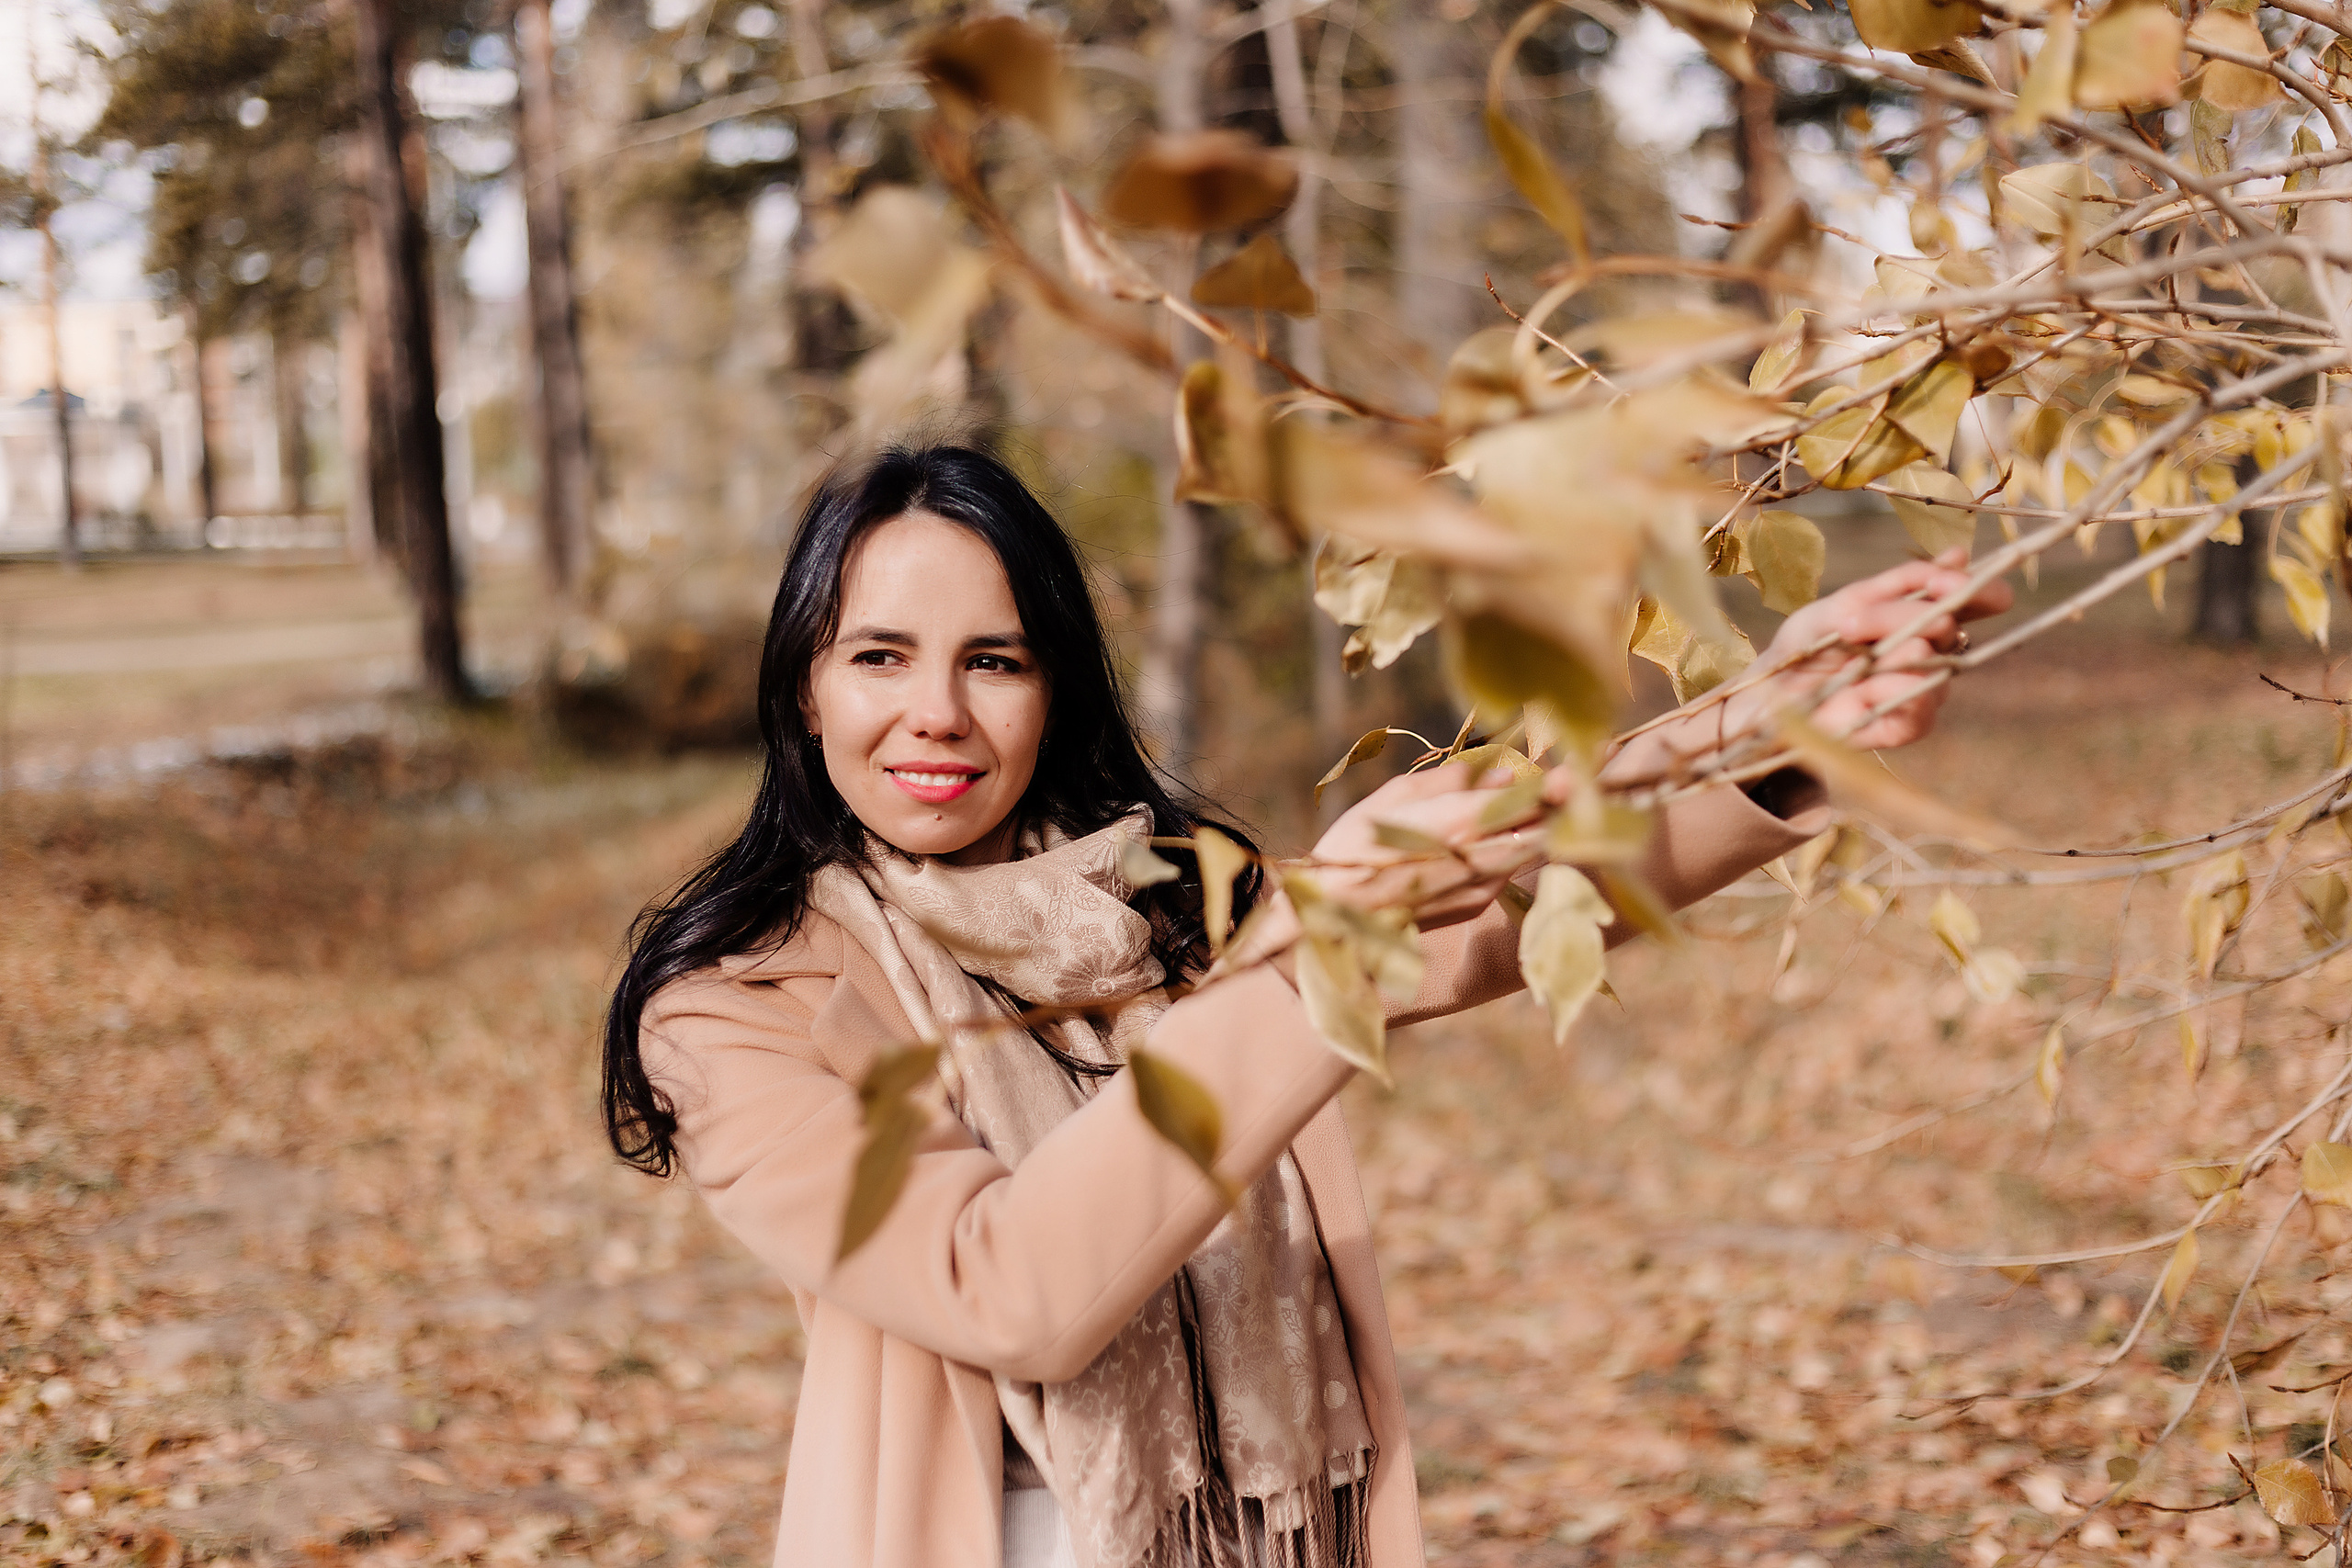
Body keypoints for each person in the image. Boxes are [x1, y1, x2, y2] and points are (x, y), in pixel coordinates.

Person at [601, 443, 2010, 1568]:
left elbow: (1488, 910)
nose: (939, 715)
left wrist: (1774, 718)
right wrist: (1330, 929)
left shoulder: (1153, 891)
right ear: (803, 687)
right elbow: (1009, 1287)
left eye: (995, 659)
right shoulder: (736, 1010)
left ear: (1053, 687)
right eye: (881, 656)